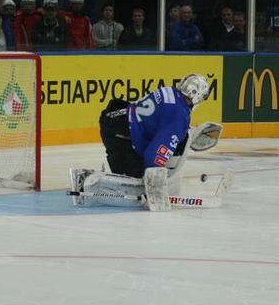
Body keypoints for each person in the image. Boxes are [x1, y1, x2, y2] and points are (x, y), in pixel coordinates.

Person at [70, 74, 215, 210]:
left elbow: (157, 120)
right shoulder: (179, 115)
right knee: (134, 182)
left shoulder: (169, 91)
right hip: (121, 134)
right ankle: (86, 180)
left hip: (116, 117)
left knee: (140, 170)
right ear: (198, 97)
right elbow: (157, 153)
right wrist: (153, 185)